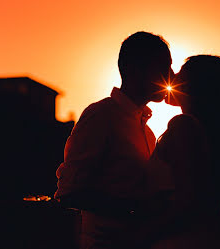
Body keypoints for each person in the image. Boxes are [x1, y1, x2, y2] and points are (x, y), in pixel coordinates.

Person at [54, 31, 174, 249]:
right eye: (164, 67)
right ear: (136, 69)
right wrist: (131, 209)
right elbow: (69, 191)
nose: (171, 75)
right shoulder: (100, 116)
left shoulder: (148, 132)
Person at [142, 55, 220, 248]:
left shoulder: (183, 126)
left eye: (179, 74)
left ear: (195, 86)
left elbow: (187, 201)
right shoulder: (213, 137)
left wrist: (142, 234)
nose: (171, 77)